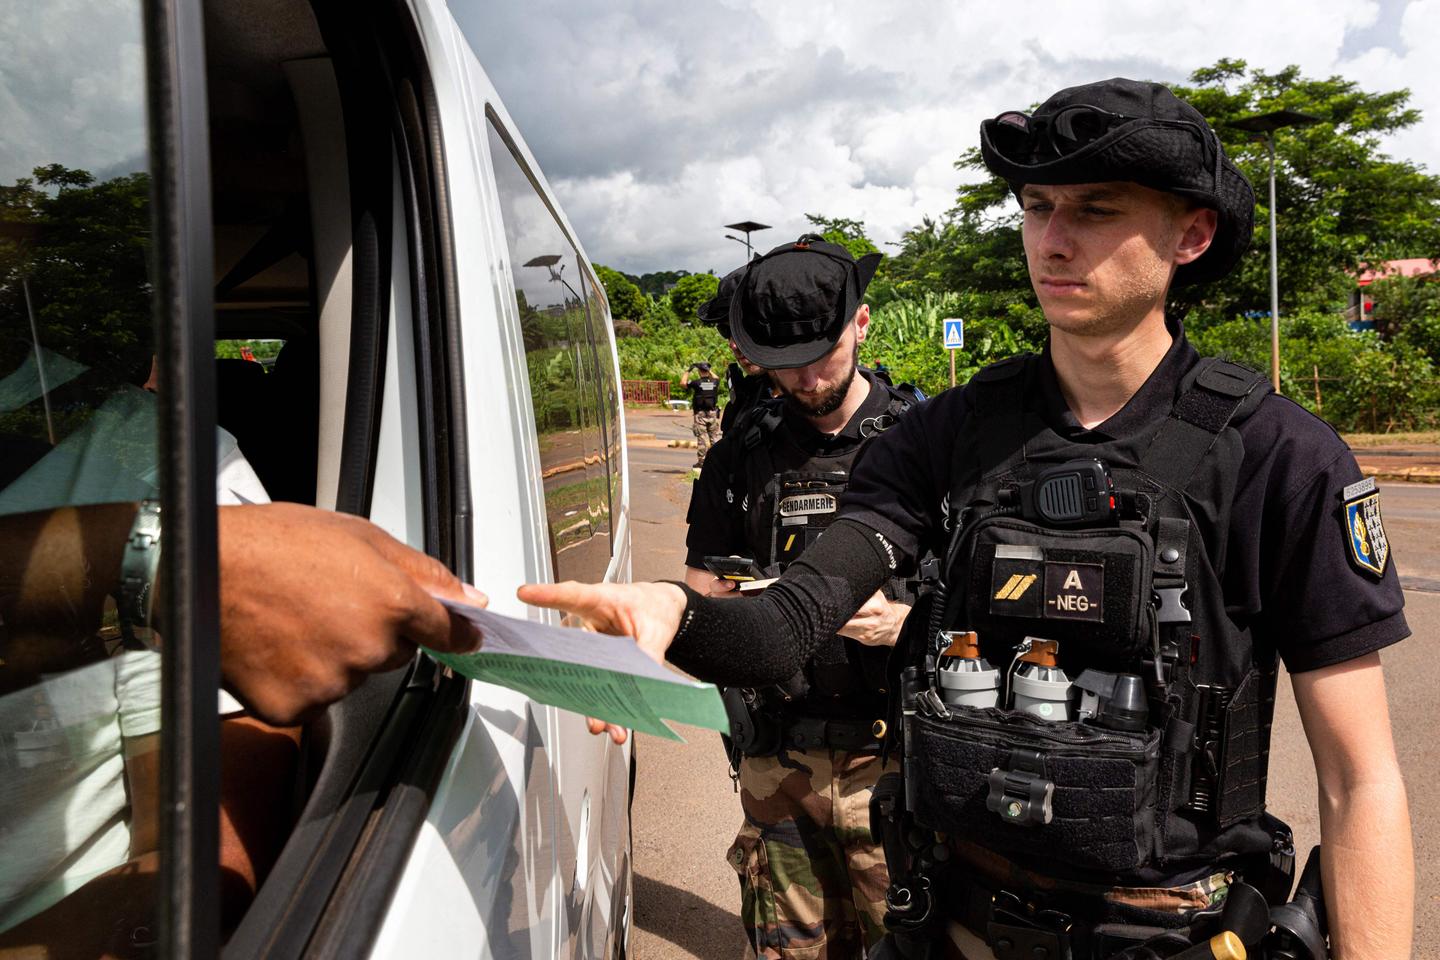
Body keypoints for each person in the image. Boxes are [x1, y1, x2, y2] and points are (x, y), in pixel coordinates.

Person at [521, 78, 1414, 960]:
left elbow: (1360, 780)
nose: (1054, 243)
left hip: (1168, 928)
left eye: (1095, 210)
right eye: (1036, 207)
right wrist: (677, 615)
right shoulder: (949, 435)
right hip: (955, 920)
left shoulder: (1280, 457)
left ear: (1193, 233)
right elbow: (787, 622)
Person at [683, 234, 916, 957]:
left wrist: (909, 623)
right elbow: (700, 587)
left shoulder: (929, 443)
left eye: (823, 353)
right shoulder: (740, 457)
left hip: (902, 764)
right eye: (784, 365)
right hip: (777, 760)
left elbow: (998, 605)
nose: (808, 379)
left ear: (863, 323)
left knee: (909, 943)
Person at [680, 360, 723, 466]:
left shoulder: (697, 383)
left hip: (700, 414)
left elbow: (682, 384)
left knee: (702, 438)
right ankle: (718, 461)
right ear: (708, 371)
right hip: (712, 413)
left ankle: (702, 462)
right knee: (714, 438)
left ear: (699, 371)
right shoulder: (714, 382)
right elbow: (717, 377)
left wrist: (688, 370)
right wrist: (708, 369)